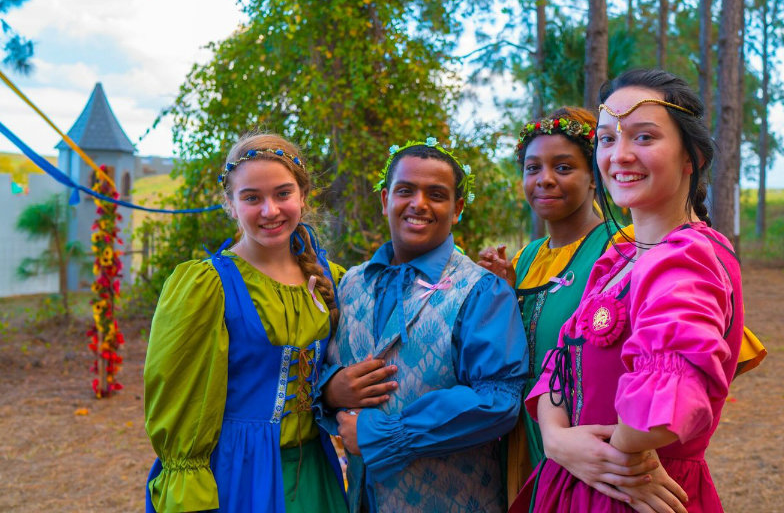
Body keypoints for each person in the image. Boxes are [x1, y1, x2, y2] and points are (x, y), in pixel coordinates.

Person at [516, 69, 746, 512]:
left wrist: (617, 457)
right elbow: (557, 370)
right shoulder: (617, 260)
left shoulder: (687, 257)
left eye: (643, 138)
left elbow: (662, 409)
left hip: (632, 497)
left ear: (690, 156)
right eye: (606, 139)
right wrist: (559, 441)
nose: (619, 155)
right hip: (575, 486)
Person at [319, 138, 529, 513]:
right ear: (385, 200)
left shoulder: (483, 291)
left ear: (457, 208)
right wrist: (331, 390)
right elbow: (321, 365)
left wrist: (382, 433)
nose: (419, 203)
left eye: (436, 194)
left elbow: (499, 399)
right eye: (405, 191)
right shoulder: (351, 283)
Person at [143, 133, 347, 513]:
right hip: (238, 475)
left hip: (315, 474)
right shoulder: (206, 286)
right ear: (231, 205)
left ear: (303, 197)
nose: (270, 210)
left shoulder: (332, 279)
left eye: (282, 194)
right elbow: (180, 401)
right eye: (252, 197)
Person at [479, 107, 652, 502]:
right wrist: (504, 297)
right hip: (527, 443)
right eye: (532, 167)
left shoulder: (626, 248)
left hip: (596, 454)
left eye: (563, 167)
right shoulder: (526, 259)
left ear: (595, 175)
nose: (545, 180)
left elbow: (684, 351)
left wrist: (637, 442)